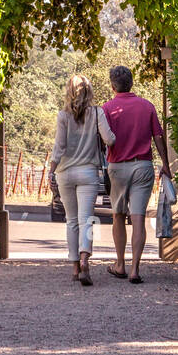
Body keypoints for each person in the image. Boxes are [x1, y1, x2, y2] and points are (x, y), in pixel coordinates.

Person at [101, 65, 170, 284]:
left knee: (118, 216)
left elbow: (103, 139)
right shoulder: (147, 106)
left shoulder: (107, 108)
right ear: (132, 83)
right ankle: (134, 270)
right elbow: (158, 137)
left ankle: (119, 264)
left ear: (113, 86)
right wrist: (166, 164)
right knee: (138, 218)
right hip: (143, 166)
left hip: (117, 167)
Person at [48, 73, 115, 285]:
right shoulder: (97, 113)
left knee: (71, 220)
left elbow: (59, 147)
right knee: (86, 219)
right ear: (89, 91)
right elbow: (110, 139)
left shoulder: (63, 115)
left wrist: (51, 170)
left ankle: (75, 267)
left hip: (65, 172)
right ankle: (86, 258)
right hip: (88, 172)